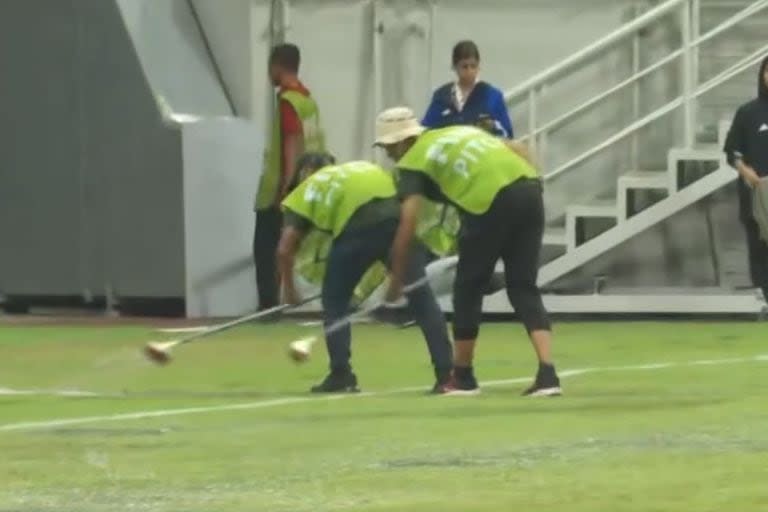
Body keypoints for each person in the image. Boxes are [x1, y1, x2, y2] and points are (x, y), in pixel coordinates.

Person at [374, 106, 561, 397]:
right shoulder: (450, 133)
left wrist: (397, 281)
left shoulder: (411, 162)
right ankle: (548, 375)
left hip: (491, 200)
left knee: (468, 288)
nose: (388, 154)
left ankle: (462, 377)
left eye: (388, 148)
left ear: (399, 142)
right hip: (530, 189)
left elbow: (407, 224)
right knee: (523, 286)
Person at [277, 153, 453, 394]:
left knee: (335, 301)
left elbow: (284, 250)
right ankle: (447, 376)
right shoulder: (362, 168)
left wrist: (290, 292)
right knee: (422, 298)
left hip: (356, 228)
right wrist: (396, 281)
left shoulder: (301, 195)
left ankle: (341, 375)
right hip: (396, 219)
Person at [253, 43, 325, 312]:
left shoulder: (287, 102)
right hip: (310, 185)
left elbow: (293, 144)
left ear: (277, 66)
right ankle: (283, 304)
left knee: (266, 251)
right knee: (290, 248)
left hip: (279, 191)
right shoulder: (308, 101)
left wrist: (285, 189)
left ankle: (269, 309)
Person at [724, 56, 768, 300]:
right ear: (763, 75)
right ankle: (765, 295)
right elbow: (731, 152)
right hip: (757, 194)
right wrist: (745, 170)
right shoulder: (748, 112)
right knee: (760, 248)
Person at [422, 40, 513, 138]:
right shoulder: (441, 96)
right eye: (464, 67)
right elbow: (426, 129)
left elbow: (507, 134)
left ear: (478, 66)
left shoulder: (493, 96)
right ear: (454, 67)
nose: (469, 71)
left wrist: (493, 125)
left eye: (473, 66)